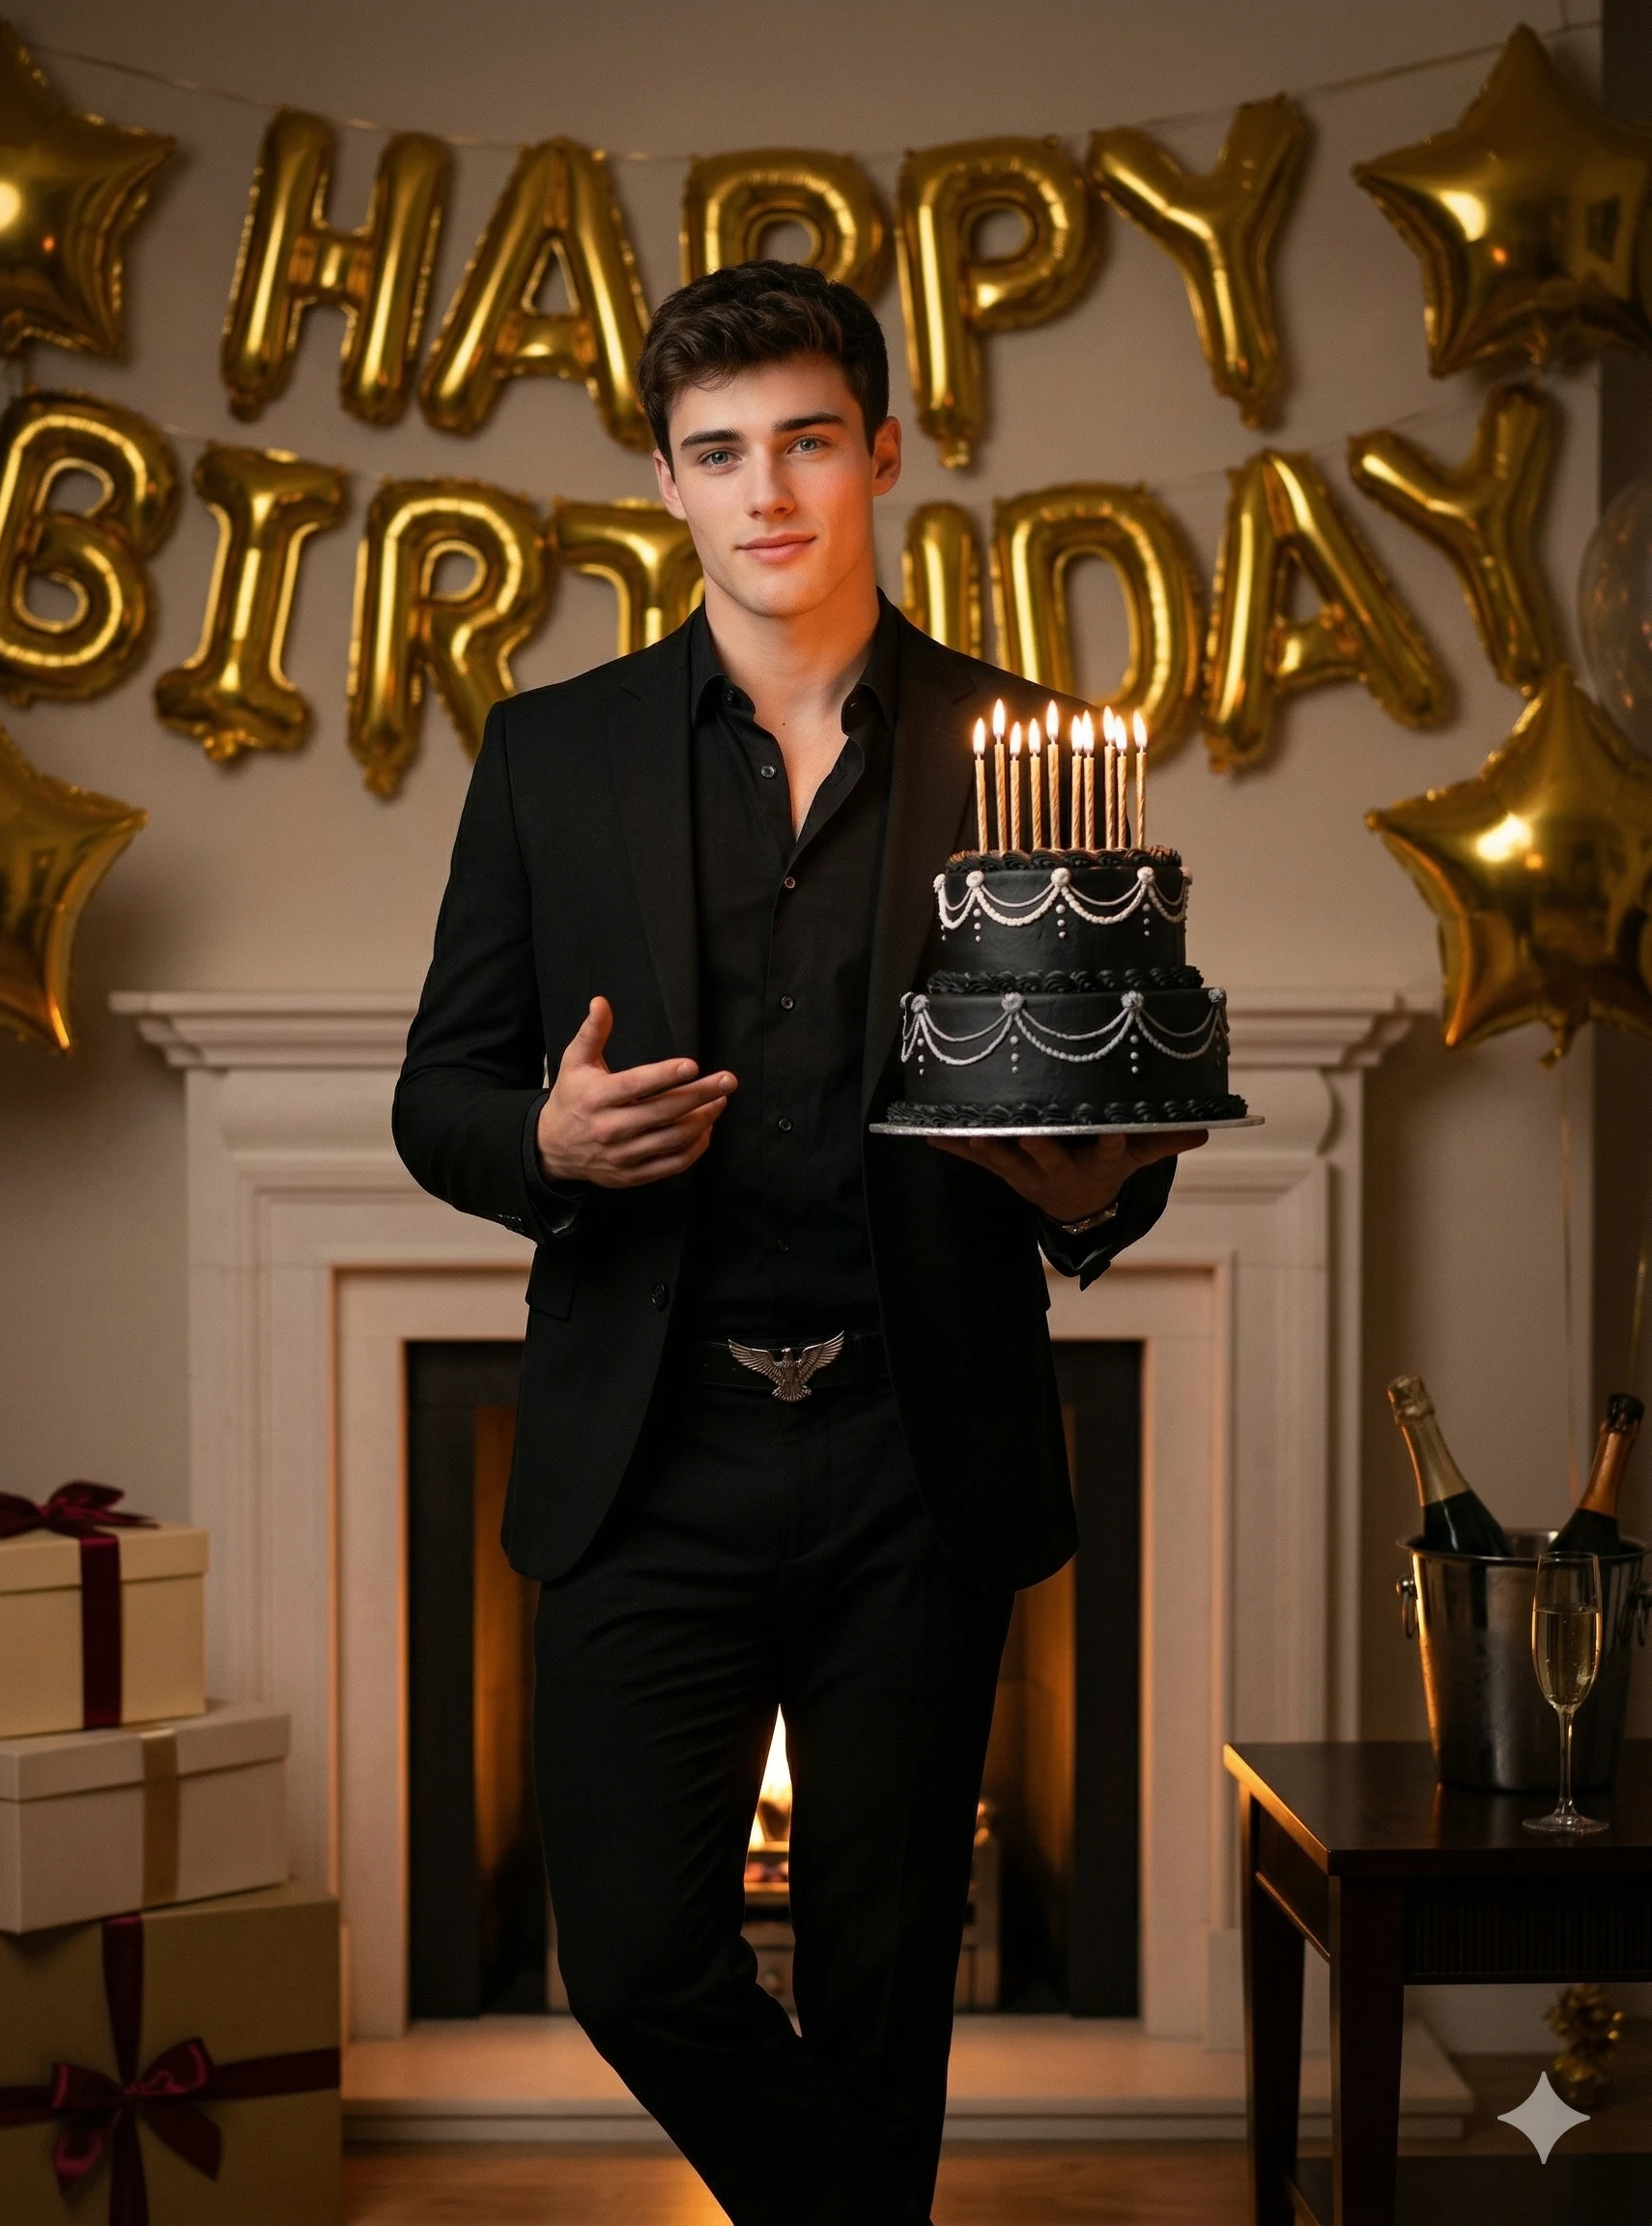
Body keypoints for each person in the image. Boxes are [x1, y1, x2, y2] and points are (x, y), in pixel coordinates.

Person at [393, 260, 1203, 2226]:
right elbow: (439, 1095)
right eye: (720, 451)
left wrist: (1094, 1198)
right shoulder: (550, 753)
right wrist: (549, 1143)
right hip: (645, 1455)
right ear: (665, 481)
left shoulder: (1030, 746)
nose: (766, 491)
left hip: (916, 1452)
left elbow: (1113, 1108)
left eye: (808, 442)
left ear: (885, 454)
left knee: (883, 1995)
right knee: (636, 1962)